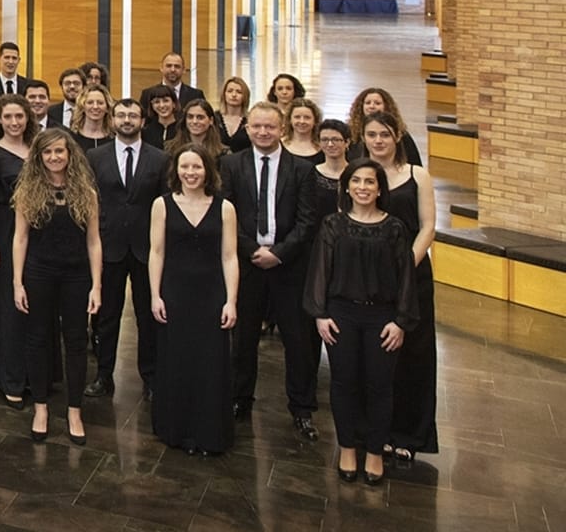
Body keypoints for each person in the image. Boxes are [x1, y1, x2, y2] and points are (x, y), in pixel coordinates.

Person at [305, 159, 418, 486]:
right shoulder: (332, 225)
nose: (363, 188)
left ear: (380, 188)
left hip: (382, 318)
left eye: (370, 182)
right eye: (357, 181)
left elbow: (406, 278)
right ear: (347, 187)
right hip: (341, 315)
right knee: (343, 383)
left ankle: (374, 451)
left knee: (380, 386)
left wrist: (400, 321)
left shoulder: (395, 228)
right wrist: (320, 314)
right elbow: (320, 272)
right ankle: (347, 447)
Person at [222, 102, 319, 439]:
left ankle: (302, 407)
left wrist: (278, 253)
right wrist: (252, 250)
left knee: (297, 340)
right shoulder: (231, 165)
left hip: (289, 267)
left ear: (282, 130)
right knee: (243, 337)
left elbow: (308, 221)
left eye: (270, 127)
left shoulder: (303, 170)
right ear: (247, 128)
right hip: (247, 264)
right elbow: (226, 213)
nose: (263, 132)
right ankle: (239, 399)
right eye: (257, 127)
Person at [12, 129, 103, 445]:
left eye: (59, 152)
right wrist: (17, 282)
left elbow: (94, 242)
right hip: (39, 272)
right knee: (37, 339)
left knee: (77, 341)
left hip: (77, 276)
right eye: (47, 152)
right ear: (39, 156)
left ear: (70, 154)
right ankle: (41, 408)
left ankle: (75, 411)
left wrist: (97, 285)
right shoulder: (27, 191)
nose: (54, 157)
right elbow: (20, 238)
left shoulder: (86, 193)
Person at [148, 147, 237, 456]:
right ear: (177, 170)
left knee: (210, 361)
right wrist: (155, 294)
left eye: (196, 166)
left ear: (207, 170)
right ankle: (177, 428)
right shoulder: (162, 204)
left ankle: (208, 430)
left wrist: (231, 301)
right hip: (175, 291)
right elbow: (156, 252)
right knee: (177, 358)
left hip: (211, 293)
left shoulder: (225, 208)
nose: (190, 172)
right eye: (184, 167)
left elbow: (229, 256)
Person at [362, 111, 439, 466]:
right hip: (370, 278)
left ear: (397, 137)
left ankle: (410, 434)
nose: (378, 141)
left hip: (413, 274)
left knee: (414, 354)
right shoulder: (361, 177)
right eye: (372, 135)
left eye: (384, 135)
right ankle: (375, 430)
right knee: (375, 356)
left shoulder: (416, 176)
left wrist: (406, 264)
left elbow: (427, 227)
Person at [86, 99, 167, 400]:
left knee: (148, 317)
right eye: (121, 115)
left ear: (142, 121)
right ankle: (103, 375)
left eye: (133, 115)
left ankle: (151, 378)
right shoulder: (95, 156)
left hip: (147, 250)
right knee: (106, 316)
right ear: (112, 120)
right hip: (108, 247)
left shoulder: (160, 159)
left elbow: (165, 205)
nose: (127, 120)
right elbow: (89, 200)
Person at [0, 95, 34, 407]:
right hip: (6, 229)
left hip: (38, 232)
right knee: (10, 306)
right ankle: (10, 377)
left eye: (19, 117)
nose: (14, 122)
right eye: (8, 117)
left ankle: (36, 374)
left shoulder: (37, 148)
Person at [346, 88, 425, 166]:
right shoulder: (350, 132)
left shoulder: (402, 135)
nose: (372, 106)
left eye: (377, 103)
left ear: (386, 106)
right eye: (367, 103)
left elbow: (414, 164)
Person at [175, 98, 227, 165]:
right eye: (190, 117)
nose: (194, 121)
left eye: (200, 117)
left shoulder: (223, 153)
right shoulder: (171, 149)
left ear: (211, 120)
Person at [283, 98, 324, 166]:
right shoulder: (279, 145)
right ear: (290, 120)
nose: (302, 121)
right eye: (297, 117)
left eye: (307, 117)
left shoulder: (323, 147)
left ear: (315, 121)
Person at [69, 85, 112, 150]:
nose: (95, 107)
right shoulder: (71, 138)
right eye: (90, 102)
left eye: (100, 103)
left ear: (107, 108)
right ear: (82, 107)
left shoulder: (115, 137)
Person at [216, 76, 252, 152]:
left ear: (245, 96)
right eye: (230, 91)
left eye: (239, 92)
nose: (234, 95)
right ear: (224, 94)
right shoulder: (214, 118)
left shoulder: (251, 120)